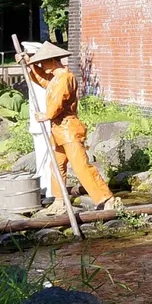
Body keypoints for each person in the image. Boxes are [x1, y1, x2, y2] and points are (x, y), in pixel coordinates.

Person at [20, 42, 115, 211]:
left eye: (43, 62)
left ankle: (106, 198)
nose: (41, 66)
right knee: (56, 165)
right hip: (58, 131)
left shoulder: (65, 77)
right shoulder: (55, 78)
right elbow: (41, 79)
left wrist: (46, 115)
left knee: (81, 166)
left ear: (52, 61)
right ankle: (59, 200)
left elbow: (58, 99)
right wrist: (28, 64)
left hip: (69, 130)